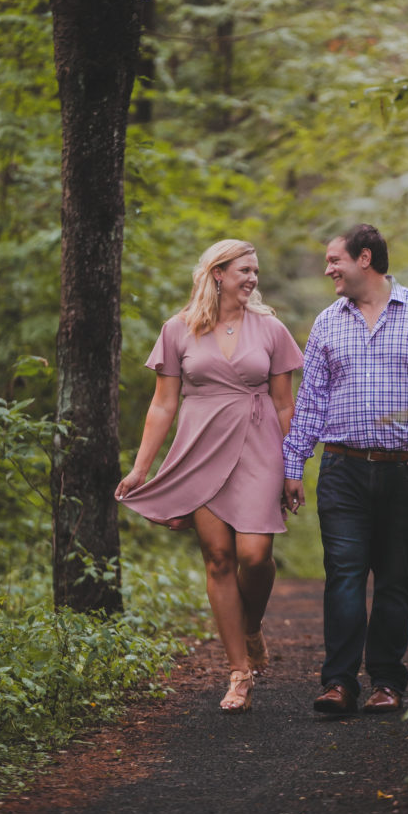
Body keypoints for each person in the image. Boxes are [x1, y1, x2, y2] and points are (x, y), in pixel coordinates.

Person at [283, 224, 408, 715]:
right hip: (342, 468)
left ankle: (388, 681)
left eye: (334, 261)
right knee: (343, 574)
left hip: (405, 469)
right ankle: (339, 683)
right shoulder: (328, 321)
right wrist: (293, 464)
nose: (329, 270)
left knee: (393, 577)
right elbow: (311, 402)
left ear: (364, 259)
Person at [116, 240, 303, 714]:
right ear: (217, 273)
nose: (253, 278)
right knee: (218, 558)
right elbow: (163, 404)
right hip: (201, 448)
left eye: (256, 271)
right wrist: (142, 467)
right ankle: (239, 671)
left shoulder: (271, 329)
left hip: (259, 444)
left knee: (255, 555)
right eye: (245, 270)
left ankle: (251, 626)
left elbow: (285, 403)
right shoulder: (178, 330)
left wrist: (294, 465)